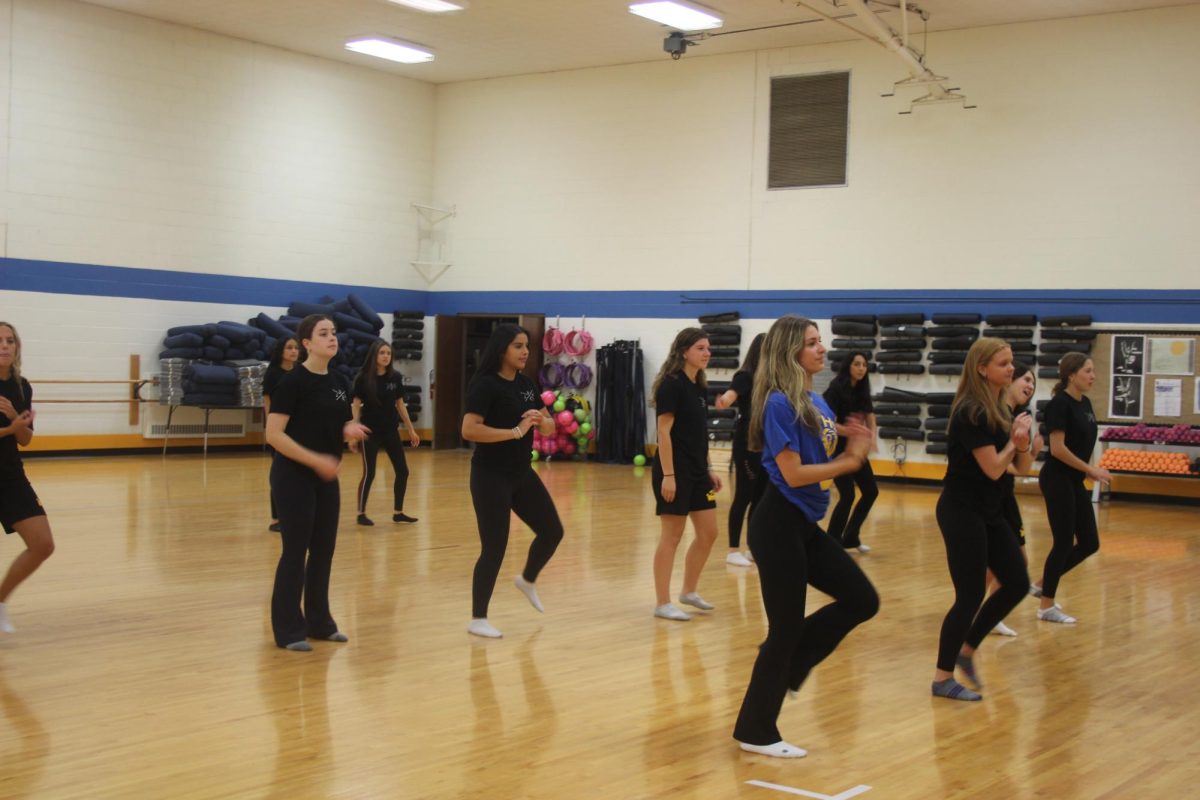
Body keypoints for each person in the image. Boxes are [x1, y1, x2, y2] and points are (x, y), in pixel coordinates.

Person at [732, 315, 878, 758]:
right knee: (785, 628)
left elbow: (823, 447)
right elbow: (794, 474)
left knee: (862, 600)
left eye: (821, 341)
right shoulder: (778, 402)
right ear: (791, 351)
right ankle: (756, 730)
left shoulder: (816, 402)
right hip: (776, 524)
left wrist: (851, 441)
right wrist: (848, 463)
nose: (822, 349)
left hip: (802, 525)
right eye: (812, 343)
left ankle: (789, 662)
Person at [932, 337, 1033, 701]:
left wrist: (1024, 446)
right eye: (1004, 364)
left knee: (1017, 582)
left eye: (1011, 362)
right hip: (961, 511)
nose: (1011, 369)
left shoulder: (1002, 409)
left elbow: (1018, 469)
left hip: (990, 511)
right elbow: (993, 469)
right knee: (970, 594)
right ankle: (943, 678)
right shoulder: (971, 410)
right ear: (982, 368)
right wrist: (1013, 444)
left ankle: (967, 650)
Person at [266, 315, 369, 652]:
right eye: (323, 334)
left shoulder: (339, 380)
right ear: (307, 344)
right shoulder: (292, 382)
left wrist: (347, 430)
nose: (332, 338)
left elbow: (333, 422)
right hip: (293, 476)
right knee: (295, 553)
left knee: (323, 550)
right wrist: (315, 460)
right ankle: (288, 630)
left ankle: (319, 623)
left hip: (326, 477)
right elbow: (274, 435)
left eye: (334, 333)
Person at [461, 324, 563, 639]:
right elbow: (469, 430)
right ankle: (478, 618)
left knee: (552, 531)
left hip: (521, 473)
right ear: (502, 349)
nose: (525, 352)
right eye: (518, 346)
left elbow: (548, 428)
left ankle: (528, 579)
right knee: (494, 547)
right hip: (490, 475)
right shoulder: (485, 385)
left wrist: (543, 421)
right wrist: (516, 432)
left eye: (526, 346)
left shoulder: (526, 385)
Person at [1031, 354, 1110, 624]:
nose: (1093, 376)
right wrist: (1091, 470)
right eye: (1088, 371)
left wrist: (1086, 472)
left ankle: (1042, 583)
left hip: (1073, 480)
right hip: (1057, 479)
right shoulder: (1059, 405)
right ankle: (1046, 606)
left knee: (1089, 542)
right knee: (1063, 542)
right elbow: (1057, 449)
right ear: (1071, 374)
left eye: (1093, 371)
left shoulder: (1085, 403)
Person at [650, 328, 722, 621]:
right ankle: (662, 602)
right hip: (674, 471)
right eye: (701, 348)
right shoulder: (672, 385)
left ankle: (688, 591)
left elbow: (700, 434)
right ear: (684, 351)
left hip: (697, 471)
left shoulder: (699, 386)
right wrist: (669, 475)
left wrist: (709, 468)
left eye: (708, 348)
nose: (707, 353)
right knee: (673, 535)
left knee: (709, 532)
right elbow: (663, 433)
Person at [0, 322, 55, 635]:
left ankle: (0, 604)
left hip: (9, 476)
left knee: (43, 544)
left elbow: (26, 440)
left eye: (10, 341)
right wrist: (8, 429)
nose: (5, 346)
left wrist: (14, 422)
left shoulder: (22, 387)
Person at [989, 362, 1042, 637]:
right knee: (1010, 562)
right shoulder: (994, 414)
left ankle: (986, 613)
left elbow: (1022, 469)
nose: (1030, 386)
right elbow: (990, 464)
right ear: (1009, 380)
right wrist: (1015, 447)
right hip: (987, 496)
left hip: (1005, 496)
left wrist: (1030, 451)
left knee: (1012, 562)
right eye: (1025, 379)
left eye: (1033, 382)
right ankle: (982, 613)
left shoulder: (1020, 417)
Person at [351, 341, 420, 526]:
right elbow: (356, 404)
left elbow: (400, 404)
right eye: (382, 352)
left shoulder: (395, 377)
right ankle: (361, 513)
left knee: (403, 471)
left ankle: (398, 512)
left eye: (388, 353)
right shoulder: (363, 378)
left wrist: (411, 430)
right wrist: (354, 429)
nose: (386, 356)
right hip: (369, 432)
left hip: (390, 431)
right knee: (369, 473)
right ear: (375, 355)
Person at [715, 333, 766, 567]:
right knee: (744, 495)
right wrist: (724, 401)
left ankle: (754, 547)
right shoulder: (745, 376)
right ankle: (733, 549)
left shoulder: (771, 379)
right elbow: (730, 395)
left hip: (766, 442)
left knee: (760, 497)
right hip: (747, 441)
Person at [822, 352, 879, 553]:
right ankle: (832, 541)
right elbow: (827, 422)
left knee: (871, 491)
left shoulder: (862, 389)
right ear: (848, 366)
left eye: (864, 364)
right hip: (837, 447)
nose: (862, 368)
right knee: (847, 495)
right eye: (857, 364)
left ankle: (851, 536)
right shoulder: (835, 389)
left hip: (856, 447)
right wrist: (848, 431)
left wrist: (871, 436)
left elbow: (870, 415)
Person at [263, 336, 299, 533]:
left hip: (298, 429)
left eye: (296, 348)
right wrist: (272, 429)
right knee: (279, 474)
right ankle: (276, 518)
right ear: (281, 351)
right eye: (289, 348)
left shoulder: (300, 372)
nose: (294, 351)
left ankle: (294, 515)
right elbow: (267, 403)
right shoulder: (273, 374)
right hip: (279, 429)